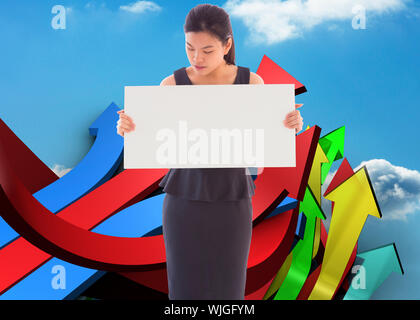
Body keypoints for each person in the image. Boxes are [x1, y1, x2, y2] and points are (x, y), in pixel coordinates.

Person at [116, 4, 303, 300]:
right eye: (190, 48)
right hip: (182, 203)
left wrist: (289, 125)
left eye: (207, 50)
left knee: (228, 291)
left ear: (227, 45)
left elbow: (264, 145)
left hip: (233, 203)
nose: (196, 58)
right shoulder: (171, 84)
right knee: (184, 290)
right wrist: (129, 129)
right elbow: (154, 146)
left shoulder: (252, 83)